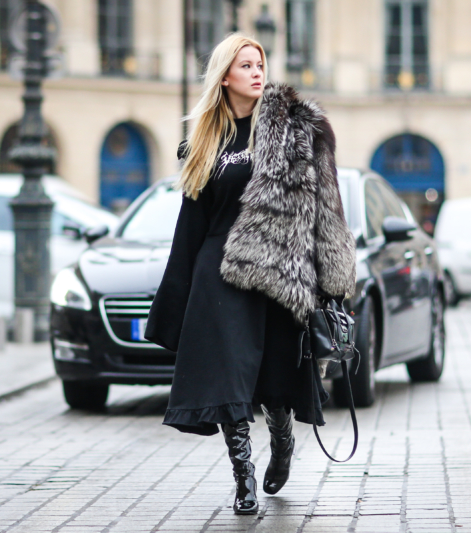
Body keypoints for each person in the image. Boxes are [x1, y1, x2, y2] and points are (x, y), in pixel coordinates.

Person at [144, 34, 356, 515]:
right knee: (228, 376)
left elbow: (327, 206)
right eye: (245, 65)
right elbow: (191, 224)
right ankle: (243, 478)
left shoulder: (297, 128)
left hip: (279, 269)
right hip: (219, 271)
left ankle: (281, 440)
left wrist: (333, 278)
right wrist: (175, 297)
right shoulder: (205, 139)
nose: (257, 71)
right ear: (225, 76)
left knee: (277, 376)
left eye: (260, 62)